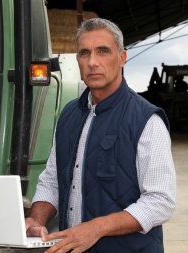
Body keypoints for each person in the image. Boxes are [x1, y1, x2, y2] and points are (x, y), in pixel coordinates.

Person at [25, 18, 176, 253]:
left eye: (102, 51)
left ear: (122, 58)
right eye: (84, 53)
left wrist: (96, 228)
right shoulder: (68, 115)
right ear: (77, 60)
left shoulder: (146, 120)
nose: (92, 62)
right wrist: (37, 220)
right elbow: (52, 181)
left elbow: (160, 202)